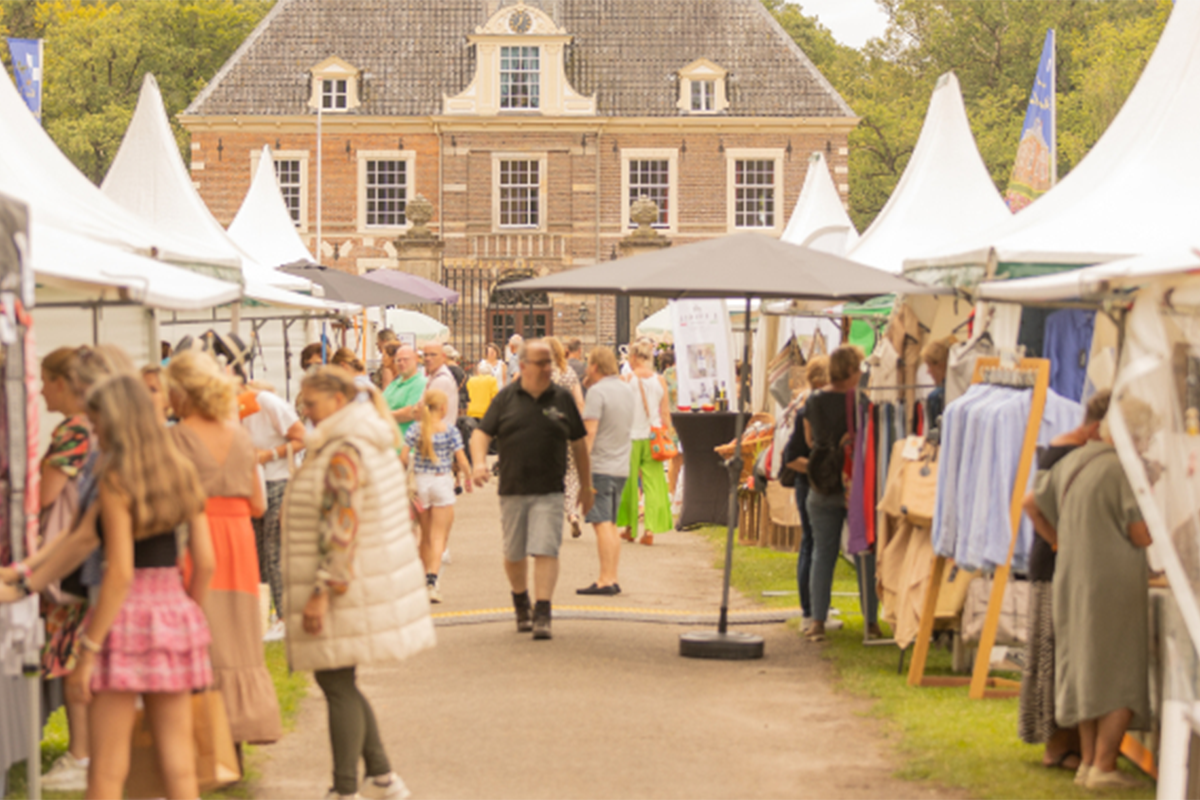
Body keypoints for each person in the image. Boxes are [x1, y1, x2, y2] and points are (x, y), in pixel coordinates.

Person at [284, 366, 434, 800]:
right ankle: (383, 777)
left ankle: (346, 788)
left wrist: (320, 591)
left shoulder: (343, 449)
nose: (306, 412)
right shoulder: (364, 439)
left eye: (310, 403)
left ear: (337, 400)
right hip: (361, 578)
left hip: (342, 583)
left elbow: (341, 524)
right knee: (340, 680)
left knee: (335, 682)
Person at [64, 375, 214, 800]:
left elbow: (120, 571)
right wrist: (189, 614)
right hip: (173, 607)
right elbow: (205, 562)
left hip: (123, 616)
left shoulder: (115, 478)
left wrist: (87, 652)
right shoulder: (182, 472)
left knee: (108, 770)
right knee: (181, 766)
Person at [1028, 397, 1150, 790]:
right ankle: (1103, 764)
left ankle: (1088, 764)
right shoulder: (1121, 470)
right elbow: (1141, 534)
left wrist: (1060, 541)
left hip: (1072, 578)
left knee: (1084, 670)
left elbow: (1032, 501)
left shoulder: (1074, 461)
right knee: (1121, 673)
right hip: (1112, 583)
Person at [165, 350, 282, 747]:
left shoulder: (176, 438)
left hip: (193, 541)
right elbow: (258, 504)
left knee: (201, 634)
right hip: (238, 540)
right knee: (237, 636)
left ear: (181, 392)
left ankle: (206, 745)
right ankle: (237, 738)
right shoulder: (239, 435)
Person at [470, 339, 593, 640]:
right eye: (542, 363)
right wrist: (477, 464)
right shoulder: (506, 398)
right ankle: (520, 599)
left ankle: (542, 611)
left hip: (551, 488)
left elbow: (578, 443)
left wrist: (586, 486)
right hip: (513, 487)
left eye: (550, 362)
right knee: (514, 552)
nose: (548, 368)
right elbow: (481, 434)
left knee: (546, 548)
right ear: (523, 365)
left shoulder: (561, 398)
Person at [1018, 390, 1111, 774]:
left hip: (1057, 564)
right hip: (1055, 567)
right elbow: (1031, 504)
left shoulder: (1064, 448)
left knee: (1059, 655)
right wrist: (1059, 540)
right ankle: (1057, 746)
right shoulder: (1068, 452)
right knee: (1056, 655)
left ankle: (1064, 744)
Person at [35, 348, 94, 792]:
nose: (38, 389)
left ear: (62, 383)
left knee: (75, 657)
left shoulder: (73, 431)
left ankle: (82, 753)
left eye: (44, 380)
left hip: (67, 554)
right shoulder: (97, 426)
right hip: (87, 555)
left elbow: (46, 495)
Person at [803, 345, 869, 643]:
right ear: (853, 369)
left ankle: (817, 620)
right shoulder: (859, 400)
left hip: (821, 480)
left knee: (822, 553)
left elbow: (810, 438)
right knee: (864, 553)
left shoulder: (814, 400)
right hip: (852, 482)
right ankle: (872, 621)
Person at [242, 381, 306, 633]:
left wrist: (268, 455)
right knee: (256, 551)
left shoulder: (266, 403)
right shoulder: (228, 409)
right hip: (251, 482)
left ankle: (285, 616)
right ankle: (262, 614)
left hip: (278, 480)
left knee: (275, 549)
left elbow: (302, 439)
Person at [400, 389, 472, 603]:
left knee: (425, 533)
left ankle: (422, 578)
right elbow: (461, 459)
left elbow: (404, 457)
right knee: (438, 535)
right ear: (442, 408)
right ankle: (433, 580)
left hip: (421, 483)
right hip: (441, 481)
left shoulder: (415, 429)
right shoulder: (450, 430)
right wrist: (467, 478)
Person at [576, 347, 634, 595]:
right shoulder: (625, 389)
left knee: (601, 524)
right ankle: (612, 575)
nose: (587, 368)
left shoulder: (597, 393)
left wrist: (583, 468)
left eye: (589, 364)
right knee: (610, 523)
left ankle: (605, 579)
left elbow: (590, 431)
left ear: (596, 366)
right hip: (621, 465)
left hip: (600, 465)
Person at [784, 355, 830, 630]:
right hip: (808, 479)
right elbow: (794, 453)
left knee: (811, 544)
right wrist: (819, 468)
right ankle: (810, 608)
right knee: (812, 543)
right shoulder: (809, 408)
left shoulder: (802, 404)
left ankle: (813, 606)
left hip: (807, 480)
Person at [617, 338, 672, 545]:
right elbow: (665, 412)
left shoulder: (627, 379)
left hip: (630, 436)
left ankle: (630, 527)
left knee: (629, 484)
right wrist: (668, 432)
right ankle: (649, 530)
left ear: (633, 358)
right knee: (654, 483)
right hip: (653, 436)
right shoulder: (660, 381)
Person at [547, 337, 586, 538]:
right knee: (571, 473)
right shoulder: (568, 373)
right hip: (567, 427)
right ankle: (572, 513)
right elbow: (580, 402)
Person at [383, 345, 425, 438]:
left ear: (416, 359)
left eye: (405, 359)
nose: (401, 363)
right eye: (398, 360)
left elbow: (410, 413)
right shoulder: (394, 384)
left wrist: (382, 415)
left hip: (407, 447)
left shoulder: (421, 383)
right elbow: (380, 403)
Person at [421, 341, 459, 426]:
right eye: (425, 355)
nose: (427, 358)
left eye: (433, 355)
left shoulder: (441, 380)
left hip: (437, 435)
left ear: (443, 357)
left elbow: (425, 412)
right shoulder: (434, 376)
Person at [922, 339, 951, 431]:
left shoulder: (935, 397)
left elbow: (934, 440)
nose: (928, 371)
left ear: (940, 365)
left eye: (929, 366)